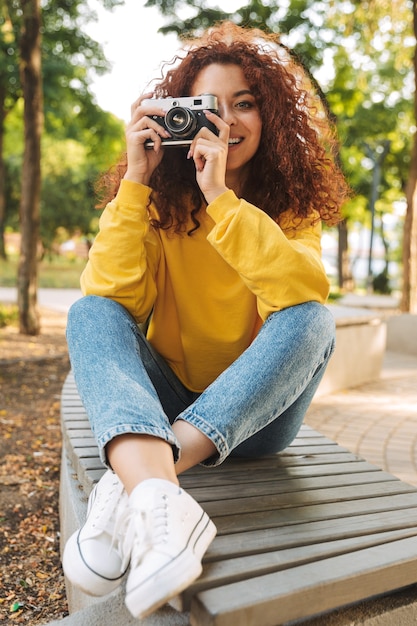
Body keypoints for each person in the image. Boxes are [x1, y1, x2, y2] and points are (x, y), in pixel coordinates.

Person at [62, 21, 349, 620]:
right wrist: (136, 181)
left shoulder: (291, 209)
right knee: (90, 311)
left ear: (270, 116)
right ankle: (161, 498)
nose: (226, 121)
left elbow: (299, 293)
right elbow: (112, 297)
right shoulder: (159, 203)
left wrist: (220, 197)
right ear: (176, 117)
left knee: (313, 320)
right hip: (168, 395)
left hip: (256, 421)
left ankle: (138, 475)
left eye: (244, 104)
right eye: (206, 107)